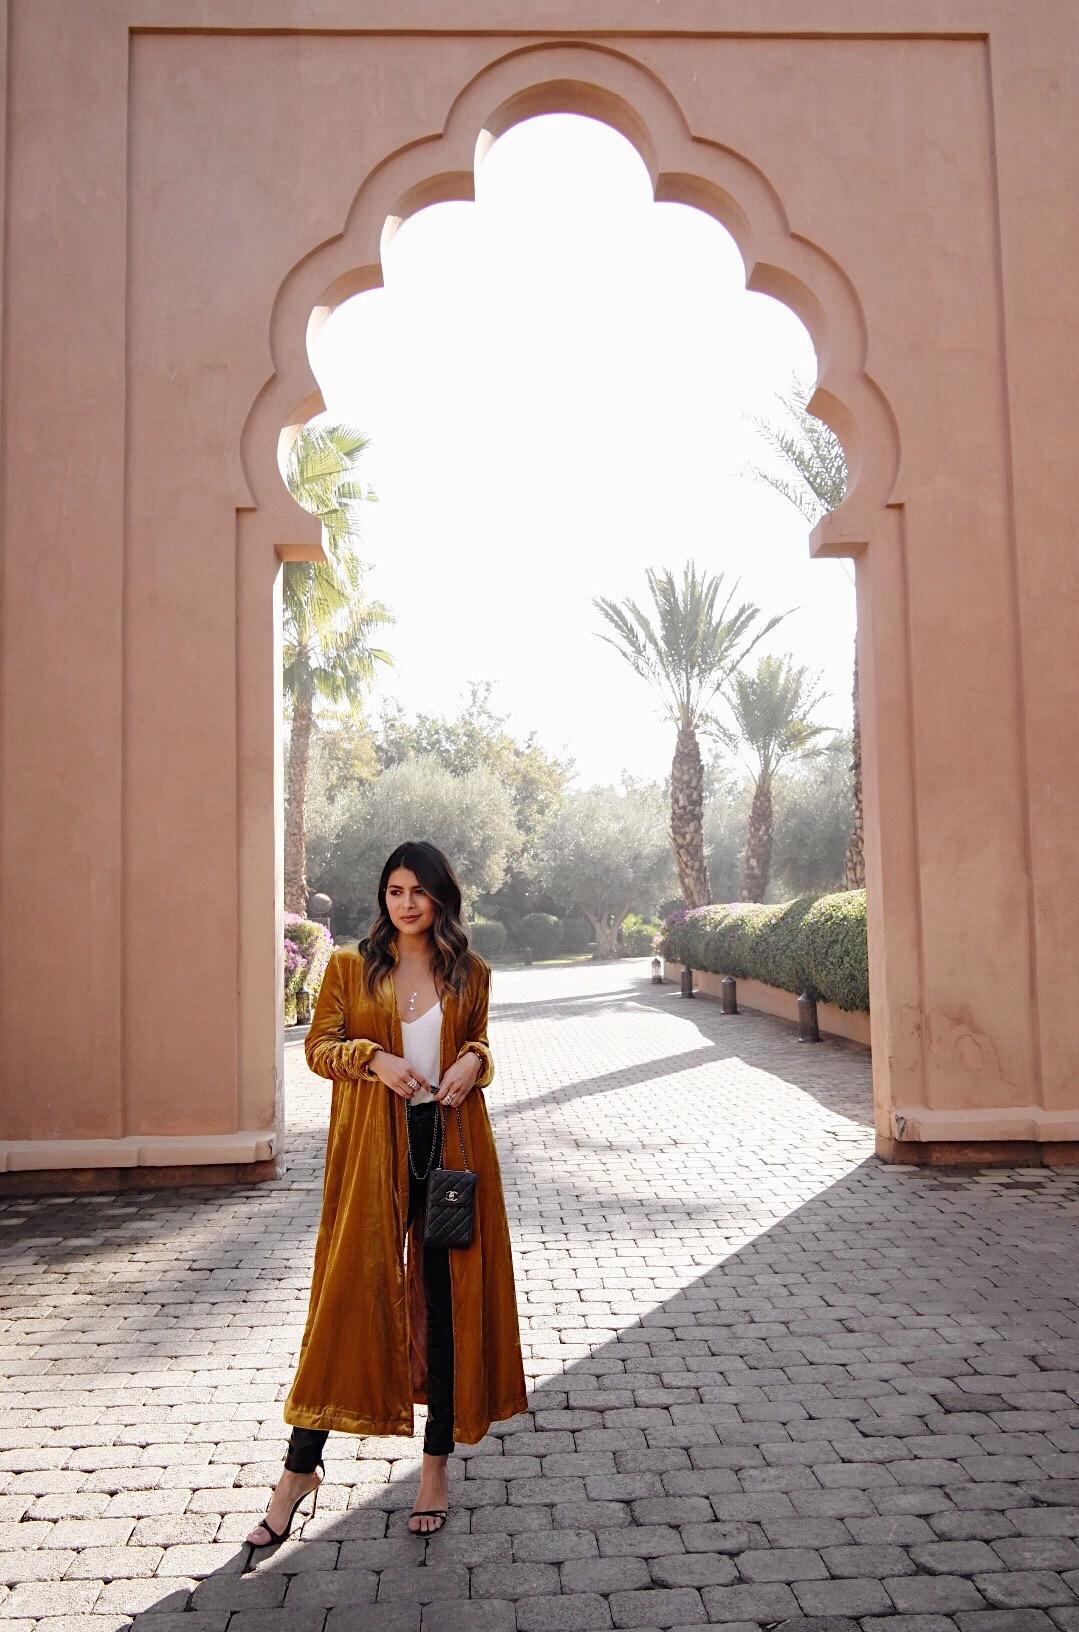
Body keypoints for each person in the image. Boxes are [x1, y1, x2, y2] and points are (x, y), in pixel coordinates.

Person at [245, 840, 528, 1562]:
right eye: (394, 890)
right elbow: (319, 1048)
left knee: (442, 1305)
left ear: (441, 899)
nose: (405, 902)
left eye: (418, 891)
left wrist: (474, 1060)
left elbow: (481, 1044)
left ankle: (433, 1472)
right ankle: (297, 1474)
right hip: (373, 1151)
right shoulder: (349, 966)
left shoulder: (470, 972)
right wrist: (375, 1059)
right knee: (346, 1304)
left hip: (451, 1150)